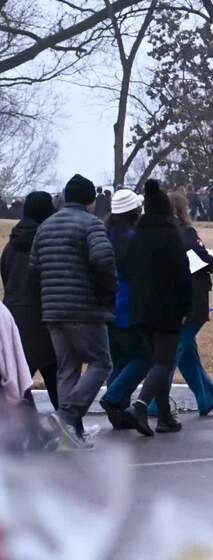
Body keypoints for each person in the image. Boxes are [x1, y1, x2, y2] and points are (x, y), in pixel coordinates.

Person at [30, 175, 117, 449]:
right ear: (91, 201)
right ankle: (66, 416)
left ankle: (70, 435)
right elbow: (103, 260)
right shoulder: (92, 224)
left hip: (53, 310)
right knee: (101, 362)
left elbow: (34, 267)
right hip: (85, 308)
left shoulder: (45, 226)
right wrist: (106, 295)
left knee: (67, 369)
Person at [123, 180, 192, 436]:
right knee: (164, 362)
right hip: (167, 309)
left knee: (156, 362)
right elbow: (183, 274)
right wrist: (186, 306)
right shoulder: (170, 236)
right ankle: (140, 407)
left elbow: (127, 270)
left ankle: (164, 416)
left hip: (140, 308)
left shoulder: (136, 237)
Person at [98, 189, 152, 431]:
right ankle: (113, 398)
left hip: (106, 306)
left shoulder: (103, 235)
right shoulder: (134, 239)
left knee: (119, 360)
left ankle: (118, 412)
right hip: (128, 307)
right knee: (144, 358)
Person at [1, 192, 59, 409]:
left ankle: (27, 426)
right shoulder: (45, 242)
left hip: (13, 316)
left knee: (19, 377)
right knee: (53, 374)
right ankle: (70, 428)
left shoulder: (11, 246)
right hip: (41, 315)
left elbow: (6, 276)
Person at [168, 193, 213, 415]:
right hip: (193, 301)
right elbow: (204, 259)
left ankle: (206, 396)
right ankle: (152, 401)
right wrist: (212, 262)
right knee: (176, 351)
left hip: (171, 299)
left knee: (184, 351)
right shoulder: (187, 233)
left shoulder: (164, 234)